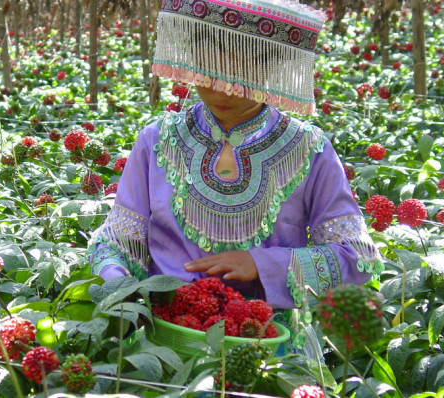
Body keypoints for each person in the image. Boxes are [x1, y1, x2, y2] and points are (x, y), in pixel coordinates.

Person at [87, 0, 383, 354]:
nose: (222, 88)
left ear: (271, 67)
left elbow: (358, 257)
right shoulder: (157, 140)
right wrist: (123, 290)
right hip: (166, 342)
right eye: (209, 68)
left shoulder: (308, 149)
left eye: (240, 74)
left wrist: (262, 264)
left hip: (269, 347)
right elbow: (117, 243)